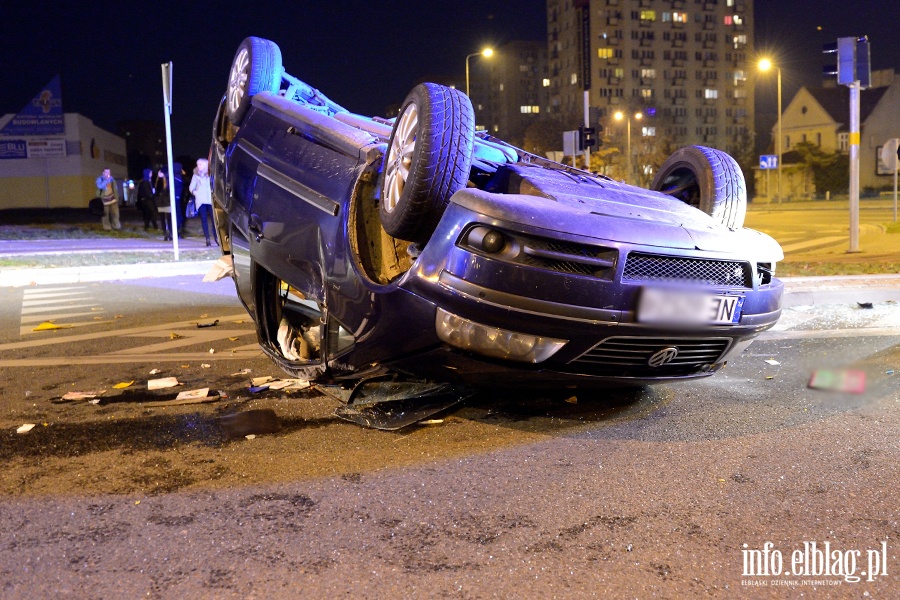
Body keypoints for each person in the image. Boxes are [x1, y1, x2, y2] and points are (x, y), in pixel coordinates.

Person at [189, 158, 217, 246]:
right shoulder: (196, 175)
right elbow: (191, 187)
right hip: (201, 200)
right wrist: (195, 193)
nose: (198, 166)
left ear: (205, 165)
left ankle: (217, 238)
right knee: (204, 220)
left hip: (210, 200)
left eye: (200, 164)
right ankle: (207, 239)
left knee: (214, 220)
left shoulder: (211, 173)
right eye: (198, 164)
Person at [154, 168, 173, 241]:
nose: (159, 173)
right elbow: (157, 191)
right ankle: (166, 234)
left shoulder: (167, 180)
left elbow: (166, 191)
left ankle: (169, 233)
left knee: (168, 219)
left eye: (160, 172)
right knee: (163, 219)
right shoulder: (158, 181)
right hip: (161, 203)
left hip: (166, 202)